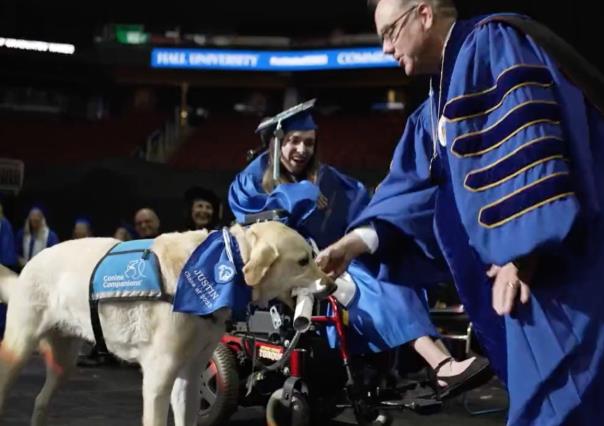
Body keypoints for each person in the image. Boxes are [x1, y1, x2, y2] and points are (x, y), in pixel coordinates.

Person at [318, 1, 604, 424]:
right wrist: (355, 243)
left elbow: (526, 144)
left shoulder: (491, 44)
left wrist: (521, 252)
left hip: (554, 280)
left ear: (425, 14)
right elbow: (413, 189)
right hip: (516, 287)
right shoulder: (437, 102)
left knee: (564, 405)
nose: (384, 48)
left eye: (390, 32)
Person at [229, 103, 488, 397]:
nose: (302, 150)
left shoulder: (324, 177)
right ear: (277, 142)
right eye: (293, 141)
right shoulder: (251, 179)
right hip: (291, 272)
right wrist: (302, 197)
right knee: (373, 282)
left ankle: (434, 365)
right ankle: (440, 364)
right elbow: (256, 224)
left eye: (309, 143)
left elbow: (356, 203)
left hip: (332, 260)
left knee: (388, 268)